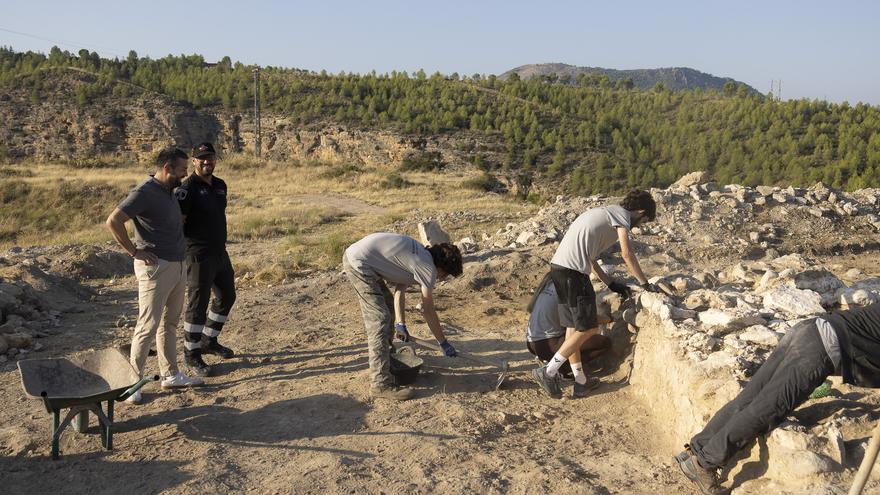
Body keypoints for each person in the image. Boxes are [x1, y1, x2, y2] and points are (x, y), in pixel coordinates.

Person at [674, 302, 880, 495]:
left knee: (750, 398)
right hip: (820, 348)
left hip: (809, 329)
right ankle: (703, 464)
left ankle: (696, 450)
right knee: (767, 410)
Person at [532, 189, 659, 399]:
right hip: (574, 273)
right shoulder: (621, 216)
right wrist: (644, 284)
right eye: (644, 220)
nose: (641, 225)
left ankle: (580, 381)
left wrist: (610, 284)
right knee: (589, 327)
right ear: (640, 211)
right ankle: (548, 372)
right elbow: (627, 254)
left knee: (573, 329)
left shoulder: (604, 213)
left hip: (560, 269)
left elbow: (590, 259)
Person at [106, 147, 204, 404]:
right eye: (182, 169)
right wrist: (133, 251)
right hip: (156, 267)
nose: (185, 175)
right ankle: (130, 384)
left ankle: (170, 375)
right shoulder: (144, 192)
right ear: (168, 168)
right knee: (147, 325)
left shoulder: (168, 191)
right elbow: (114, 221)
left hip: (177, 264)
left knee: (169, 323)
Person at [343, 233, 463, 401]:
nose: (443, 279)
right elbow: (428, 311)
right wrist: (443, 342)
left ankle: (387, 361)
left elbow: (400, 289)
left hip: (361, 258)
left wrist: (400, 323)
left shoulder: (421, 254)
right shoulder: (427, 268)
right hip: (360, 264)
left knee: (389, 310)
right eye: (445, 275)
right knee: (380, 320)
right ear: (441, 267)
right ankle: (380, 383)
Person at [175, 142, 236, 377]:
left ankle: (209, 340)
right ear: (193, 161)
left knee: (227, 296)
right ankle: (191, 354)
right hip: (198, 254)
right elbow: (178, 223)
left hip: (219, 252)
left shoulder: (220, 185)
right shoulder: (186, 189)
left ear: (215, 159)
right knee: (197, 305)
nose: (206, 161)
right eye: (201, 158)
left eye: (210, 157)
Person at [525, 273, 611, 380]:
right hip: (549, 344)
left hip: (532, 343)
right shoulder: (568, 288)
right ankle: (563, 369)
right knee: (604, 343)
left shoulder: (548, 284)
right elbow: (584, 317)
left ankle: (553, 363)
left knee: (573, 336)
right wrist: (608, 319)